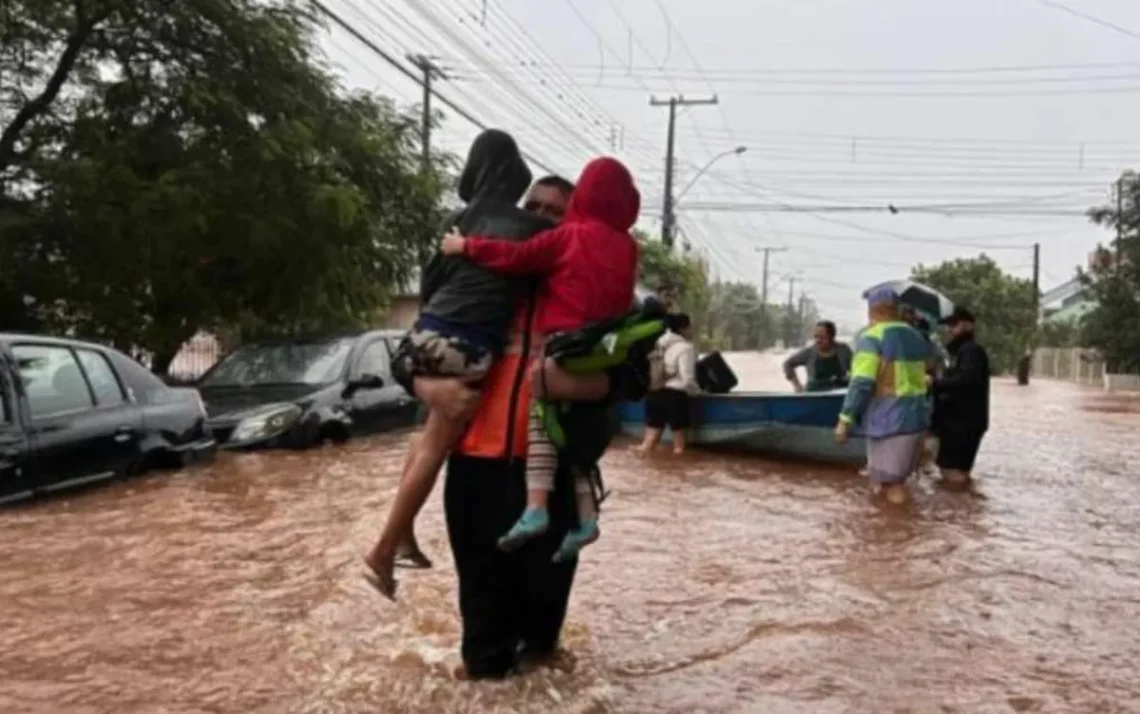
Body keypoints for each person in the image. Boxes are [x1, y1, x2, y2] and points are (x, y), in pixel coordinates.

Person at [363, 129, 553, 598]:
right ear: (517, 175)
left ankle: (403, 534)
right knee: (434, 448)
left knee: (424, 438)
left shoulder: (458, 221)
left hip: (423, 334)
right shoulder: (534, 232)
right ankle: (384, 549)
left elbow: (432, 283)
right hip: (466, 346)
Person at [440, 156, 640, 561]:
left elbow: (636, 380)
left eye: (554, 210)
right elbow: (419, 355)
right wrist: (429, 387)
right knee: (480, 617)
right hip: (477, 467)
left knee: (543, 621)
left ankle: (549, 512)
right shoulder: (478, 285)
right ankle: (570, 517)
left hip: (560, 475)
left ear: (576, 208)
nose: (542, 218)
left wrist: (594, 386)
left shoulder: (565, 246)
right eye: (533, 208)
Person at [834, 286, 932, 505]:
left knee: (891, 483)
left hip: (888, 419)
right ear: (895, 309)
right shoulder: (916, 336)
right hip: (915, 417)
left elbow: (862, 383)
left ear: (872, 310)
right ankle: (888, 530)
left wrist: (845, 419)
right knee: (886, 480)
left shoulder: (872, 337)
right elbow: (928, 371)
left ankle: (900, 531)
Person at [929, 306, 990, 491]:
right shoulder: (962, 352)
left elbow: (966, 380)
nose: (949, 330)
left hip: (963, 423)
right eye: (948, 325)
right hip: (958, 422)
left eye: (954, 325)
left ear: (968, 326)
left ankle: (959, 508)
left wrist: (935, 383)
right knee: (951, 471)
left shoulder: (971, 351)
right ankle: (960, 510)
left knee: (953, 473)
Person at [637, 313, 698, 454]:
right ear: (683, 329)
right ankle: (677, 472)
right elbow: (687, 378)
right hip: (674, 395)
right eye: (689, 327)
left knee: (647, 445)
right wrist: (696, 392)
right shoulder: (685, 347)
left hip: (654, 392)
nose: (691, 330)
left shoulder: (658, 342)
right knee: (678, 447)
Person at [783, 320, 853, 393]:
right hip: (814, 396)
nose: (818, 340)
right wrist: (797, 385)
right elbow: (788, 364)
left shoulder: (843, 350)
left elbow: (857, 369)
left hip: (838, 395)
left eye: (823, 337)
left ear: (832, 337)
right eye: (816, 337)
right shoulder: (809, 352)